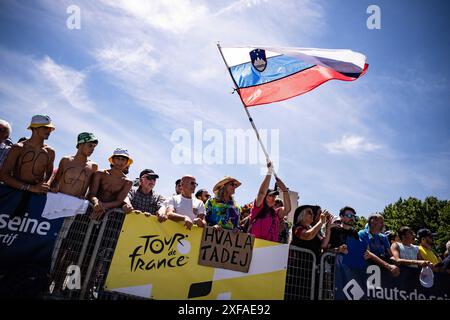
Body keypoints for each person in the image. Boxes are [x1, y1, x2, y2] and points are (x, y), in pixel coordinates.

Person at [0, 115, 55, 194]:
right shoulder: (18, 148)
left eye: (50, 128)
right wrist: (30, 188)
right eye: (46, 127)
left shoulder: (50, 152)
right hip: (14, 193)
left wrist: (47, 184)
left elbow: (50, 172)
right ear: (35, 128)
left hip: (36, 196)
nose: (50, 130)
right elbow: (4, 175)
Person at [248, 162, 291, 242]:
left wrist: (285, 190)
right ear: (264, 198)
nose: (273, 198)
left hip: (269, 249)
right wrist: (269, 172)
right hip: (254, 246)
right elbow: (261, 193)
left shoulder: (275, 213)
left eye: (274, 196)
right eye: (270, 196)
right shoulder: (257, 209)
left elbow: (287, 209)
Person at [88, 148, 133, 220]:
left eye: (123, 160)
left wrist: (102, 206)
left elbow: (119, 201)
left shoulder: (128, 182)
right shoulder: (99, 173)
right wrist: (96, 203)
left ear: (126, 163)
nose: (120, 162)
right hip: (90, 210)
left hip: (109, 217)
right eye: (118, 158)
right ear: (113, 160)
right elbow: (92, 193)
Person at [49, 132, 98, 198]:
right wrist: (53, 188)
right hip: (58, 200)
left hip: (76, 205)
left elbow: (92, 190)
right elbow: (55, 181)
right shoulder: (65, 160)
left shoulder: (93, 166)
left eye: (94, 146)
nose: (93, 149)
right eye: (90, 145)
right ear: (80, 144)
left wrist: (86, 197)